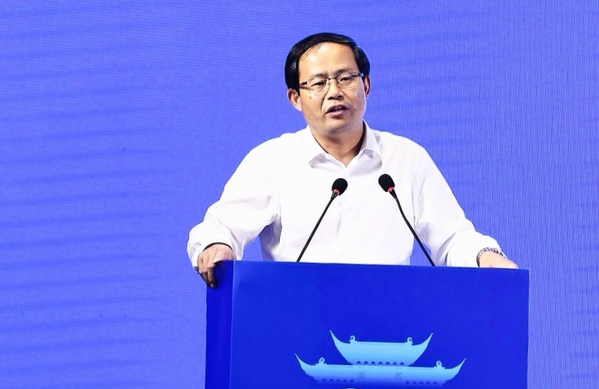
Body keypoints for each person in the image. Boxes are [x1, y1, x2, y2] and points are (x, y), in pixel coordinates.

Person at [187, 32, 517, 288]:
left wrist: (484, 255)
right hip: (298, 321)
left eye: (346, 78)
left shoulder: (406, 159)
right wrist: (217, 246)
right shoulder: (271, 161)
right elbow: (220, 227)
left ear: (366, 85)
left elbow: (453, 237)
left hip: (388, 321)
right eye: (318, 83)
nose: (334, 92)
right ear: (295, 98)